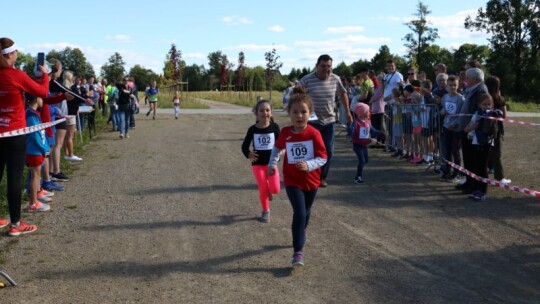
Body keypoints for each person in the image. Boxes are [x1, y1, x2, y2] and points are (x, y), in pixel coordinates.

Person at [268, 87, 327, 266]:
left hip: (311, 180)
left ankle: (302, 230)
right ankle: (298, 251)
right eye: (295, 112)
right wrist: (272, 164)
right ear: (289, 113)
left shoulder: (314, 134)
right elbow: (277, 148)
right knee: (299, 212)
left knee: (306, 212)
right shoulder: (285, 133)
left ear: (310, 114)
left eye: (303, 112)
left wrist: (308, 165)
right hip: (293, 180)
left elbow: (323, 157)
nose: (299, 116)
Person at [0, 37, 50, 235]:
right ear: (10, 54)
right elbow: (43, 92)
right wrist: (44, 75)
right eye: (16, 51)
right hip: (15, 134)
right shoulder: (16, 75)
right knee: (14, 178)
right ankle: (15, 224)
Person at [297, 54, 351, 187]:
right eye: (323, 66)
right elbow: (295, 93)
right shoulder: (307, 79)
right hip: (311, 121)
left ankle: (322, 177)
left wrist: (348, 112)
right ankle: (309, 175)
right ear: (317, 66)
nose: (326, 69)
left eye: (329, 66)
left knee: (328, 150)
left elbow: (343, 93)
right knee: (310, 150)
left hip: (329, 121)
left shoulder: (335, 79)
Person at [241, 99, 281, 223]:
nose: (265, 113)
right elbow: (244, 145)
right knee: (262, 188)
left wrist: (282, 152)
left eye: (267, 110)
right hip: (257, 164)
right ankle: (265, 211)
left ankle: (270, 190)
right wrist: (249, 154)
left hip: (272, 164)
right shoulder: (252, 129)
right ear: (256, 113)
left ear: (271, 113)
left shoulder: (275, 127)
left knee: (275, 189)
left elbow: (280, 144)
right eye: (262, 110)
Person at [456, 67, 489, 194]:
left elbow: (480, 112)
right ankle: (470, 182)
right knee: (468, 159)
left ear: (474, 79)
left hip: (473, 131)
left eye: (467, 77)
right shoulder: (472, 90)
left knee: (475, 160)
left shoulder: (481, 91)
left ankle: (476, 186)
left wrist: (470, 127)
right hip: (467, 130)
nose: (465, 79)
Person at [463, 94, 501, 201]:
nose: (487, 106)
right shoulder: (476, 115)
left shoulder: (493, 115)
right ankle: (476, 189)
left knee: (483, 167)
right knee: (476, 166)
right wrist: (473, 126)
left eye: (489, 104)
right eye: (484, 104)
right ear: (479, 105)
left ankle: (483, 192)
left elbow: (496, 128)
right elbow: (466, 129)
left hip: (487, 144)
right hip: (476, 142)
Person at [24, 94, 51, 213]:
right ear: (36, 99)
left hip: (36, 149)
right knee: (35, 176)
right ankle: (33, 203)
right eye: (41, 98)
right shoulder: (30, 114)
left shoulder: (34, 113)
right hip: (34, 150)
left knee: (36, 175)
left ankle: (35, 198)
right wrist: (43, 148)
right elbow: (35, 135)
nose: (42, 101)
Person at [485, 75, 511, 185]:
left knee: (484, 152)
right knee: (496, 154)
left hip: (484, 128)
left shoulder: (483, 97)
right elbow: (504, 116)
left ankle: (483, 174)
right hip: (496, 129)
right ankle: (499, 177)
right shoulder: (500, 99)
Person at [350, 103, 383, 184]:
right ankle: (358, 177)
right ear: (362, 112)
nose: (369, 112)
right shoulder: (356, 122)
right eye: (368, 111)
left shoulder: (368, 122)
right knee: (362, 160)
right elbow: (351, 130)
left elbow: (373, 131)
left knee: (365, 160)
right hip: (357, 145)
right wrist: (350, 131)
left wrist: (381, 132)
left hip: (364, 146)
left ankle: (360, 170)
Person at [440, 75, 464, 181]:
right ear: (447, 86)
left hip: (456, 129)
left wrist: (453, 124)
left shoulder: (460, 98)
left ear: (458, 86)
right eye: (450, 85)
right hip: (446, 127)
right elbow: (443, 110)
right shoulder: (445, 97)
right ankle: (447, 170)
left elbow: (461, 115)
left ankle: (457, 172)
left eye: (455, 85)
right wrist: (442, 112)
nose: (453, 87)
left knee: (456, 151)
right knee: (447, 150)